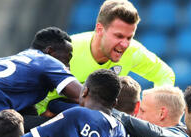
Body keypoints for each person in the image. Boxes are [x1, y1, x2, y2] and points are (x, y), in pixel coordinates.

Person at [39, 0, 174, 114]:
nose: (125, 44)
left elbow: (165, 75)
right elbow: (35, 90)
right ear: (99, 29)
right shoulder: (66, 50)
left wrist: (152, 111)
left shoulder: (133, 51)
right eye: (119, 36)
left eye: (129, 37)